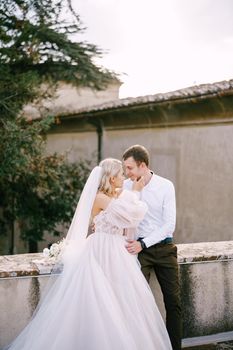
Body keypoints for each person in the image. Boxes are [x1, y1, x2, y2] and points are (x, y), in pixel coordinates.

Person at [5, 158, 172, 350]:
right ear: (110, 178)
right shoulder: (100, 197)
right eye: (119, 174)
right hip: (103, 248)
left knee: (120, 297)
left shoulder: (113, 196)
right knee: (102, 296)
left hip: (116, 249)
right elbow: (130, 215)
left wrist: (129, 194)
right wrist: (135, 191)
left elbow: (130, 218)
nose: (123, 177)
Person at [123, 145, 182, 350]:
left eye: (130, 168)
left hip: (164, 250)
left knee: (173, 303)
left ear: (143, 165)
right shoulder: (125, 187)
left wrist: (144, 243)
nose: (127, 173)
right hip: (138, 252)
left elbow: (169, 225)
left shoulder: (166, 186)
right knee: (137, 303)